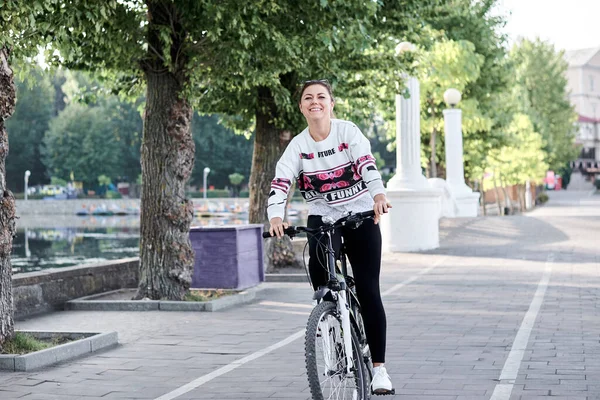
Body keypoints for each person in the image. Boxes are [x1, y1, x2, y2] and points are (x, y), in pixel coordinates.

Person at [267, 79, 394, 394]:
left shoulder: (347, 132)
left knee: (368, 289)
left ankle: (379, 369)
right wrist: (275, 216)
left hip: (362, 214)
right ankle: (330, 326)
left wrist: (378, 195)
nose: (315, 102)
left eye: (321, 97)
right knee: (322, 278)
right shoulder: (298, 146)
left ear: (331, 103)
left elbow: (367, 164)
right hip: (324, 217)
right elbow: (281, 181)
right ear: (301, 107)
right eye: (308, 98)